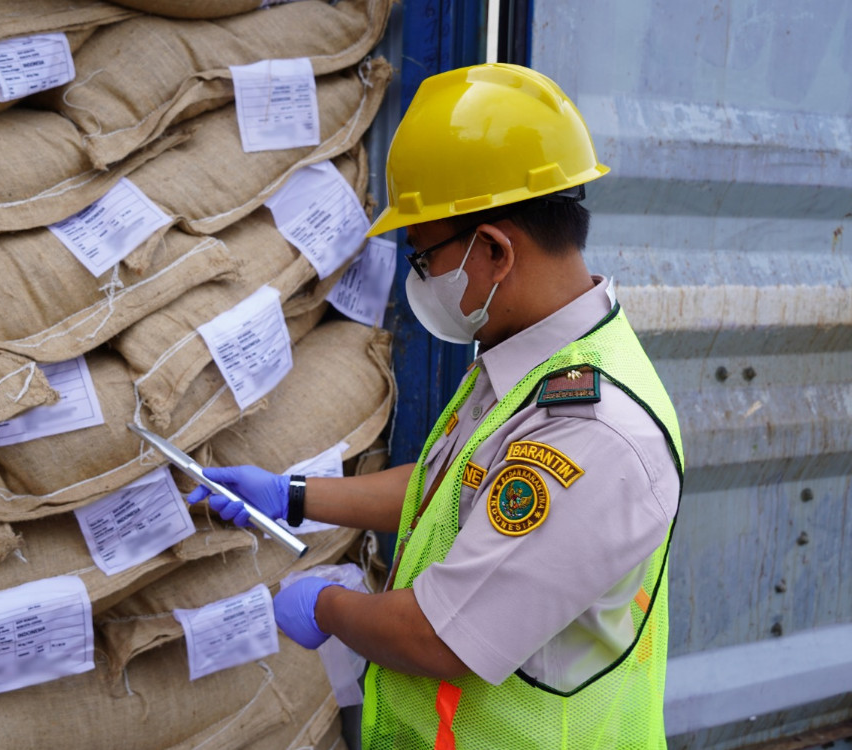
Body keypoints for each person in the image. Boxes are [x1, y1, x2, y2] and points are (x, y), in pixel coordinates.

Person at [187, 63, 684, 749]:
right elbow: (448, 490)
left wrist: (328, 607)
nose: (418, 279)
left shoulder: (591, 433)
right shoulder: (525, 361)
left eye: (422, 258)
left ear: (495, 250)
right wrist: (292, 496)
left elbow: (440, 638)